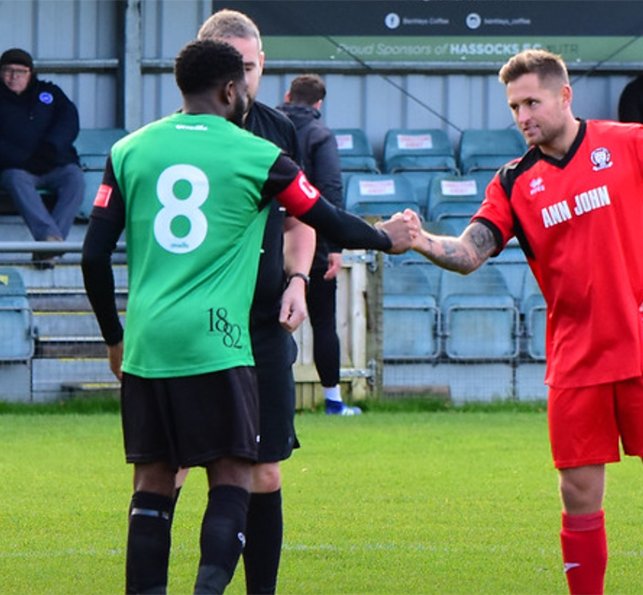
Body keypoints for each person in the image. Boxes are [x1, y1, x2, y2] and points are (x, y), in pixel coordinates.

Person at [81, 38, 411, 595]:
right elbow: (326, 218)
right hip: (218, 340)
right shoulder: (257, 156)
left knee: (153, 481)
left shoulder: (129, 150)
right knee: (235, 473)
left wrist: (114, 337)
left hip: (146, 342)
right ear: (231, 90)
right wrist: (387, 237)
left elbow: (93, 257)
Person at [403, 49, 643, 594]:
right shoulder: (512, 183)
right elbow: (470, 252)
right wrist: (421, 241)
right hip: (575, 361)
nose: (522, 115)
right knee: (577, 494)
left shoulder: (631, 142)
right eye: (514, 106)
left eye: (532, 102)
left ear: (564, 96)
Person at [192, 10, 315, 594]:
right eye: (233, 69)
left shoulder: (280, 130)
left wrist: (298, 280)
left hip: (263, 324)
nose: (243, 80)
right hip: (199, 326)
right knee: (176, 473)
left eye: (251, 66)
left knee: (265, 472)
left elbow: (302, 220)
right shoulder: (176, 137)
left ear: (262, 65)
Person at [277, 74, 361, 416]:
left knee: (268, 322)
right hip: (313, 243)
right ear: (319, 105)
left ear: (287, 96)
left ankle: (266, 401)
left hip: (270, 242)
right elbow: (329, 190)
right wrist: (334, 246)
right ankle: (333, 401)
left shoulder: (266, 126)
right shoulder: (319, 135)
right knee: (324, 322)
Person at [0, 48, 84, 268]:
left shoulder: (50, 93)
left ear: (31, 73)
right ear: (0, 73)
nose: (14, 76)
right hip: (17, 168)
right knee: (15, 179)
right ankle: (50, 244)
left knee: (75, 178)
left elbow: (69, 121)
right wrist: (24, 160)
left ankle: (47, 246)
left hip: (55, 163)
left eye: (20, 71)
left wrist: (50, 149)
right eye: (8, 71)